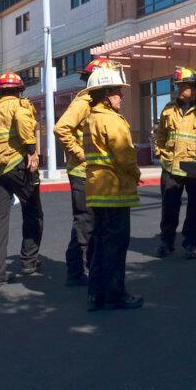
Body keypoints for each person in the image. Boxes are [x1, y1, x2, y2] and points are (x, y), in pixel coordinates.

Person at [81, 64, 143, 311]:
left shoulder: (91, 119)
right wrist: (136, 173)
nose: (121, 96)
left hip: (97, 190)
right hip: (114, 190)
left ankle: (95, 295)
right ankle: (116, 295)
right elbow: (125, 155)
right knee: (116, 246)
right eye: (117, 91)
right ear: (106, 94)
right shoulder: (112, 120)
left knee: (100, 244)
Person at [53, 56, 117, 287]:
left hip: (96, 174)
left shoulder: (101, 104)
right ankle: (75, 271)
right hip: (82, 173)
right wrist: (80, 154)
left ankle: (91, 266)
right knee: (85, 222)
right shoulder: (84, 102)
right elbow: (61, 128)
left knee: (96, 223)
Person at [0, 71, 43, 288]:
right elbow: (23, 123)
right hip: (17, 166)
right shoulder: (19, 105)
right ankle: (29, 261)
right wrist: (31, 150)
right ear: (20, 90)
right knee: (32, 210)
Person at [152, 66, 196, 259]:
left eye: (184, 86)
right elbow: (160, 135)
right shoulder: (169, 108)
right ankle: (166, 242)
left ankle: (191, 243)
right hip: (171, 166)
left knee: (194, 207)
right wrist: (160, 153)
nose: (179, 89)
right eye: (178, 86)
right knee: (169, 207)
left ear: (195, 88)